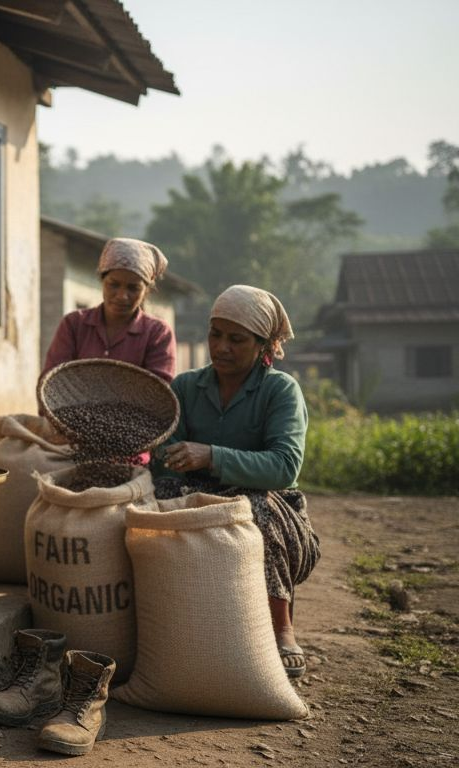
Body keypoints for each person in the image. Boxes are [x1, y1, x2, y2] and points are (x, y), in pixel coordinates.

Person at [153, 284, 320, 679]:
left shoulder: (280, 390)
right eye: (216, 334)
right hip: (196, 496)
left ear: (263, 345)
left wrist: (211, 456)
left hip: (269, 503)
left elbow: (284, 467)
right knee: (153, 499)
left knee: (252, 507)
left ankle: (281, 626)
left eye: (236, 339)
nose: (222, 347)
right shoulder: (186, 387)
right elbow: (165, 451)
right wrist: (169, 455)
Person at [41, 237, 176, 383]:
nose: (122, 296)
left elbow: (158, 393)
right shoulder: (74, 325)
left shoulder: (158, 333)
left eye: (133, 288)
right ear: (102, 281)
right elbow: (52, 383)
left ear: (146, 291)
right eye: (114, 284)